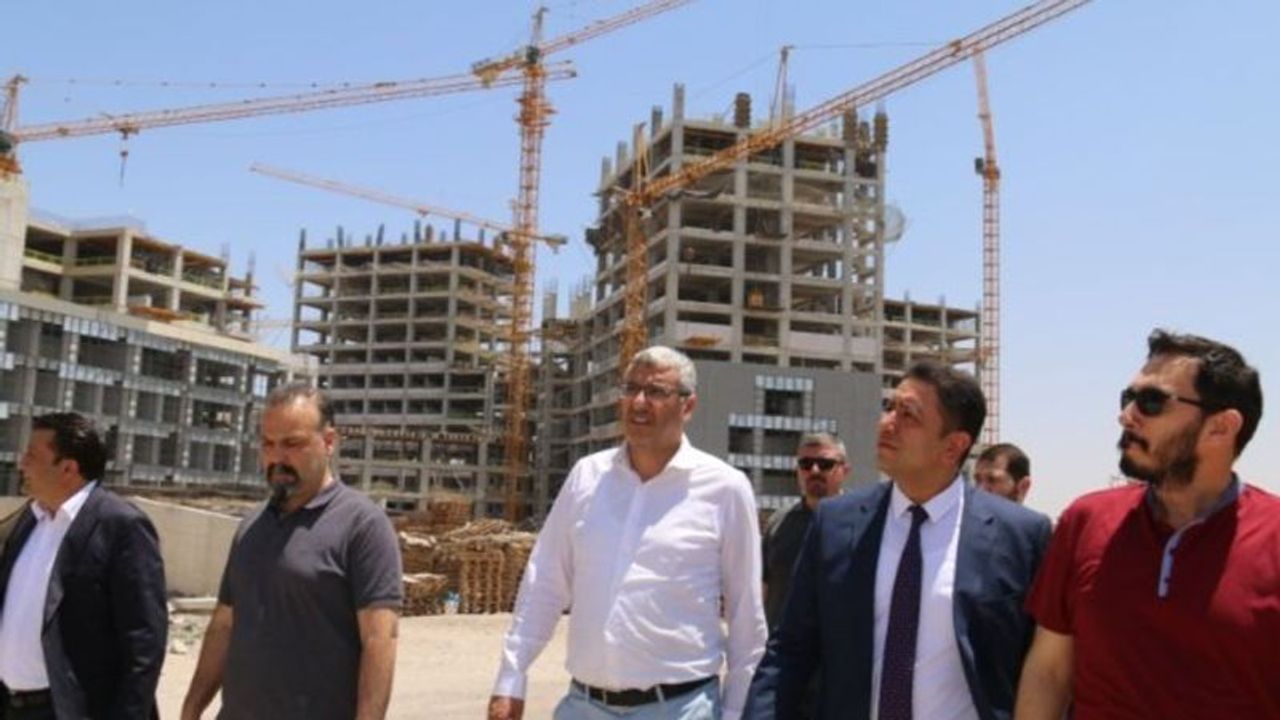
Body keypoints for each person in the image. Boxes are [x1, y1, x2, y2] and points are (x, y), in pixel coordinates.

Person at [745, 360, 1052, 720]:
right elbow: (790, 650)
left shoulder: (1021, 536)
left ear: (953, 446)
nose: (887, 423)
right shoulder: (836, 523)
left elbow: (1044, 667)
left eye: (908, 415)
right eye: (889, 407)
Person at [489, 346, 767, 720]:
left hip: (680, 709)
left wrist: (736, 712)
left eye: (655, 392)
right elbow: (545, 582)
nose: (638, 402)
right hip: (583, 706)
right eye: (631, 389)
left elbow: (746, 614)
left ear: (687, 406)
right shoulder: (587, 477)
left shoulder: (725, 489)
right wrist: (510, 679)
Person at [1017, 330, 1278, 718]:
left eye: (1152, 401)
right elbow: (1050, 673)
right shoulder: (1085, 520)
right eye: (1128, 398)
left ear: (1221, 427)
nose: (1126, 415)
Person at [181, 383, 402, 720]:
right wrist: (191, 709)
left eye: (292, 444)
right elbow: (224, 626)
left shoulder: (363, 526)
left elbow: (379, 639)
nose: (277, 457)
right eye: (268, 444)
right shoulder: (251, 526)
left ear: (329, 441)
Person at [0, 412, 167, 719]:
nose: (21, 464)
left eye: (32, 456)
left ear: (67, 468)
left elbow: (143, 644)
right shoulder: (29, 520)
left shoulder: (120, 525)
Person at [762, 432, 849, 632]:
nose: (814, 470)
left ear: (844, 470)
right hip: (782, 646)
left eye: (825, 464)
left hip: (838, 646)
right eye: (806, 464)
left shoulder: (862, 523)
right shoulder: (778, 523)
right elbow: (762, 588)